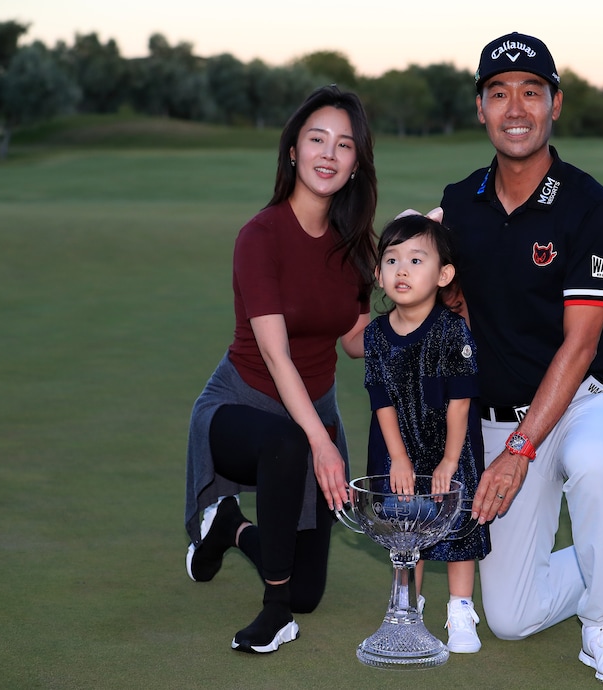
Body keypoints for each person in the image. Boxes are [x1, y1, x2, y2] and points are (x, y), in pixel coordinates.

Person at [436, 32, 603, 684]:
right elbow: (409, 267)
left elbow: (582, 344)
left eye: (531, 92)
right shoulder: (460, 202)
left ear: (555, 105)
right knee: (512, 616)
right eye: (499, 93)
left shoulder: (589, 206)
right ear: (481, 108)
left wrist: (518, 454)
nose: (516, 108)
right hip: (496, 415)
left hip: (584, 400)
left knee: (594, 462)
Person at [183, 85, 377, 654]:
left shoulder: (352, 247)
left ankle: (228, 529)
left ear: (355, 162)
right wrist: (323, 442)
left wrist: (420, 300)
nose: (328, 153)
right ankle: (273, 616)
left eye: (344, 145)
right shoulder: (260, 236)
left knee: (309, 591)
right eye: (317, 139)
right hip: (237, 409)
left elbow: (355, 342)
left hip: (310, 413)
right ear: (293, 149)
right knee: (292, 444)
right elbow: (274, 353)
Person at [363, 212, 492, 654]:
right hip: (400, 445)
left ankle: (460, 609)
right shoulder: (376, 335)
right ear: (378, 275)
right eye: (392, 260)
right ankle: (407, 607)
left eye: (417, 260)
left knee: (456, 528)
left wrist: (451, 461)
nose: (403, 270)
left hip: (449, 447)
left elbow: (460, 402)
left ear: (444, 274)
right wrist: (398, 458)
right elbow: (380, 399)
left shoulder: (452, 330)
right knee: (406, 526)